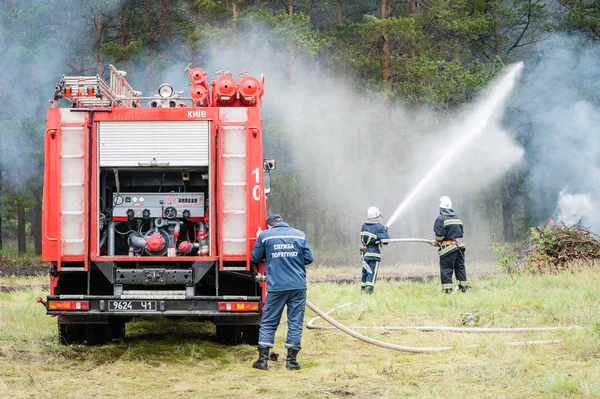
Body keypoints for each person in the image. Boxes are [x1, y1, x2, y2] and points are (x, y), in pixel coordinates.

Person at [250, 214, 314, 371]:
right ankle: (291, 362)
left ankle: (262, 361)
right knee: (295, 323)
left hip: (276, 287)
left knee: (269, 322)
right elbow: (309, 258)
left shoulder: (265, 236)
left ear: (270, 226)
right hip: (298, 287)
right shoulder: (299, 234)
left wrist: (261, 240)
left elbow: (255, 257)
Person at [432, 196, 469, 293]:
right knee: (460, 267)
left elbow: (439, 235)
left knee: (446, 269)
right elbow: (460, 232)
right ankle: (463, 288)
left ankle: (447, 290)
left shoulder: (440, 219)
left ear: (441, 208)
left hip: (448, 249)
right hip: (460, 247)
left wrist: (437, 241)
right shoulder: (457, 218)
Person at [359, 206, 390, 294]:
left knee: (365, 271)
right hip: (373, 254)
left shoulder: (364, 226)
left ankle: (363, 289)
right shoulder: (379, 227)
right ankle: (369, 290)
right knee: (372, 272)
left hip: (364, 253)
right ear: (377, 216)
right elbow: (386, 240)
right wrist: (385, 231)